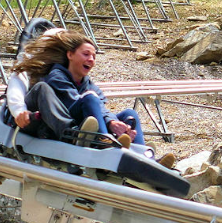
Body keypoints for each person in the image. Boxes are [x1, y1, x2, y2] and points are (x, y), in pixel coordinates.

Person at [12, 29, 174, 168]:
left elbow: (102, 107)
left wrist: (115, 123)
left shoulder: (88, 83)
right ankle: (107, 146)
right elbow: (75, 101)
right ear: (70, 55)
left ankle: (145, 158)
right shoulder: (55, 76)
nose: (91, 59)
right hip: (68, 126)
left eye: (94, 56)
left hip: (87, 124)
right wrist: (108, 122)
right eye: (86, 54)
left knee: (129, 114)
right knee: (90, 99)